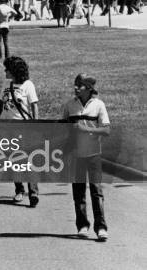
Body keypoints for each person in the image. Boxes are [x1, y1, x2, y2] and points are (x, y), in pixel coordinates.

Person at [61, 74, 110, 241]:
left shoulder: (98, 105)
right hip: (76, 156)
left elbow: (106, 130)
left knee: (96, 191)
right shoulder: (69, 105)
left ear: (89, 88)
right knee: (78, 192)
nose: (76, 88)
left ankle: (101, 227)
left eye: (80, 85)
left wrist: (86, 129)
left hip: (94, 154)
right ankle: (82, 225)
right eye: (75, 84)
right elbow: (63, 129)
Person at [0, 56, 39, 207]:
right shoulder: (7, 83)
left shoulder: (28, 85)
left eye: (7, 69)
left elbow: (34, 106)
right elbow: (0, 103)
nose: (5, 71)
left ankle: (33, 192)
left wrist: (35, 124)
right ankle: (19, 189)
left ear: (14, 71)